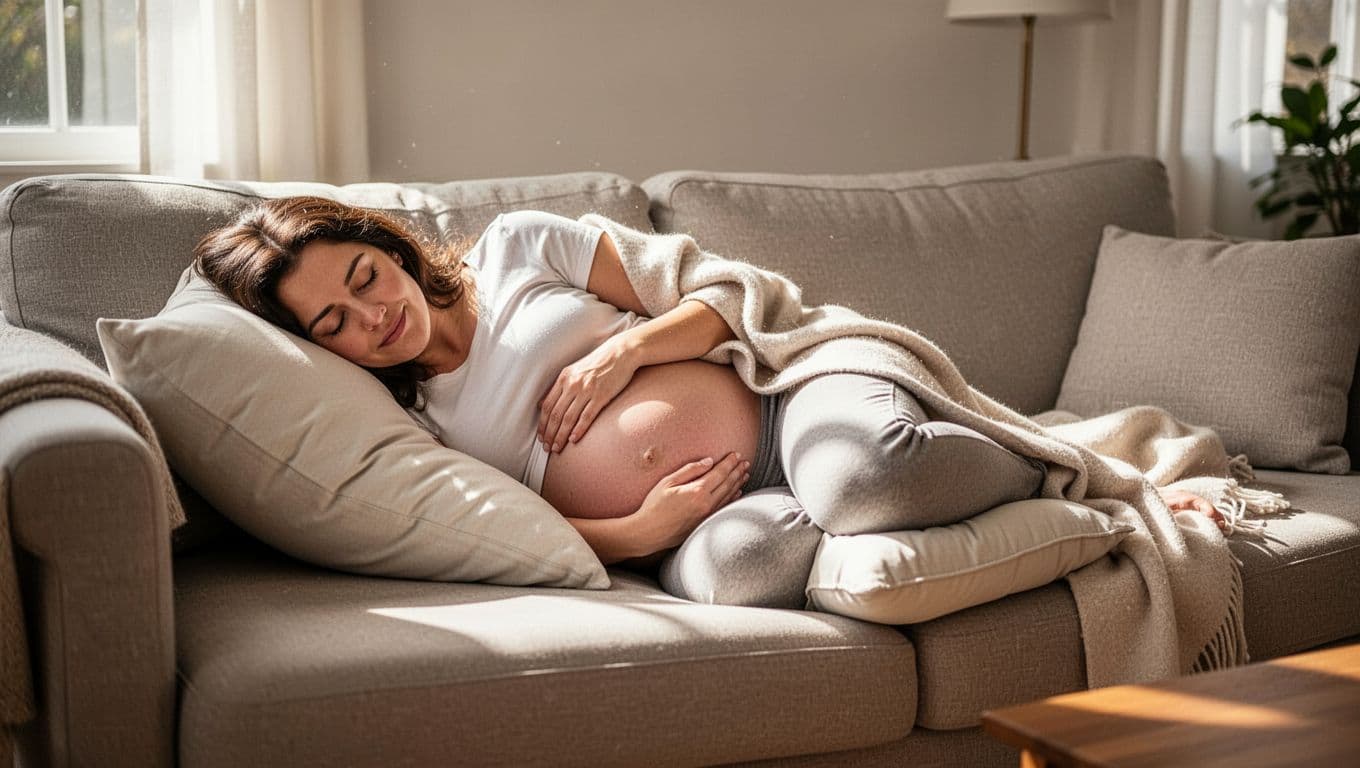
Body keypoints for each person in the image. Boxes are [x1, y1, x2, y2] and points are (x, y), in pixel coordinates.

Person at [194, 197, 1223, 570]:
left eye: (363, 278)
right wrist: (633, 536)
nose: (373, 317)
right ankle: (877, 512)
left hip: (786, 400)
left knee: (865, 478)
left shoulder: (516, 249)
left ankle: (1074, 474)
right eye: (336, 323)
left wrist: (626, 351)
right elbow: (499, 528)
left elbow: (724, 292)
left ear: (384, 246)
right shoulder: (406, 420)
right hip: (701, 523)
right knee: (741, 579)